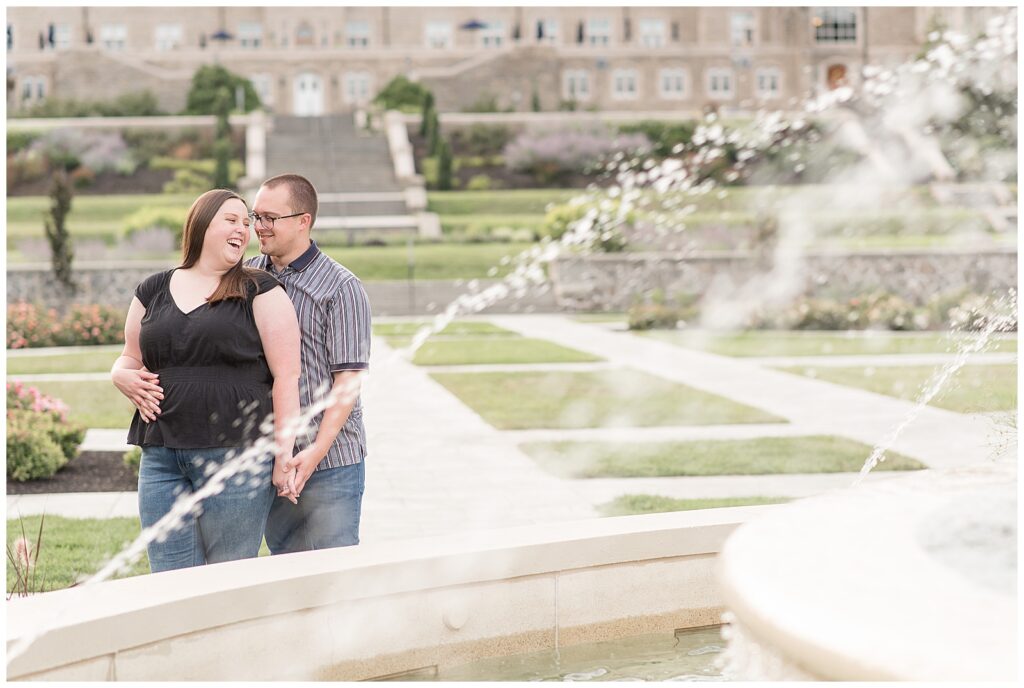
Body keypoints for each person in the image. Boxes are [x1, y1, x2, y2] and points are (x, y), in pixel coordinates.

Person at [111, 188, 301, 573]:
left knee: (228, 578)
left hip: (235, 455)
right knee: (169, 577)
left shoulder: (259, 288)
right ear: (201, 225)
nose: (243, 229)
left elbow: (287, 377)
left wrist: (284, 454)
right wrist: (118, 374)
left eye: (247, 223)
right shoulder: (152, 289)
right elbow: (130, 358)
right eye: (231, 220)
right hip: (162, 455)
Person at [245, 173, 371, 553]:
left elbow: (347, 382)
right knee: (287, 577)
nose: (260, 227)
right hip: (272, 461)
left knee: (334, 581)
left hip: (331, 463)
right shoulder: (246, 277)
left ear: (304, 221)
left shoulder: (341, 287)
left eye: (271, 218)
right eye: (256, 216)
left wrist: (314, 453)